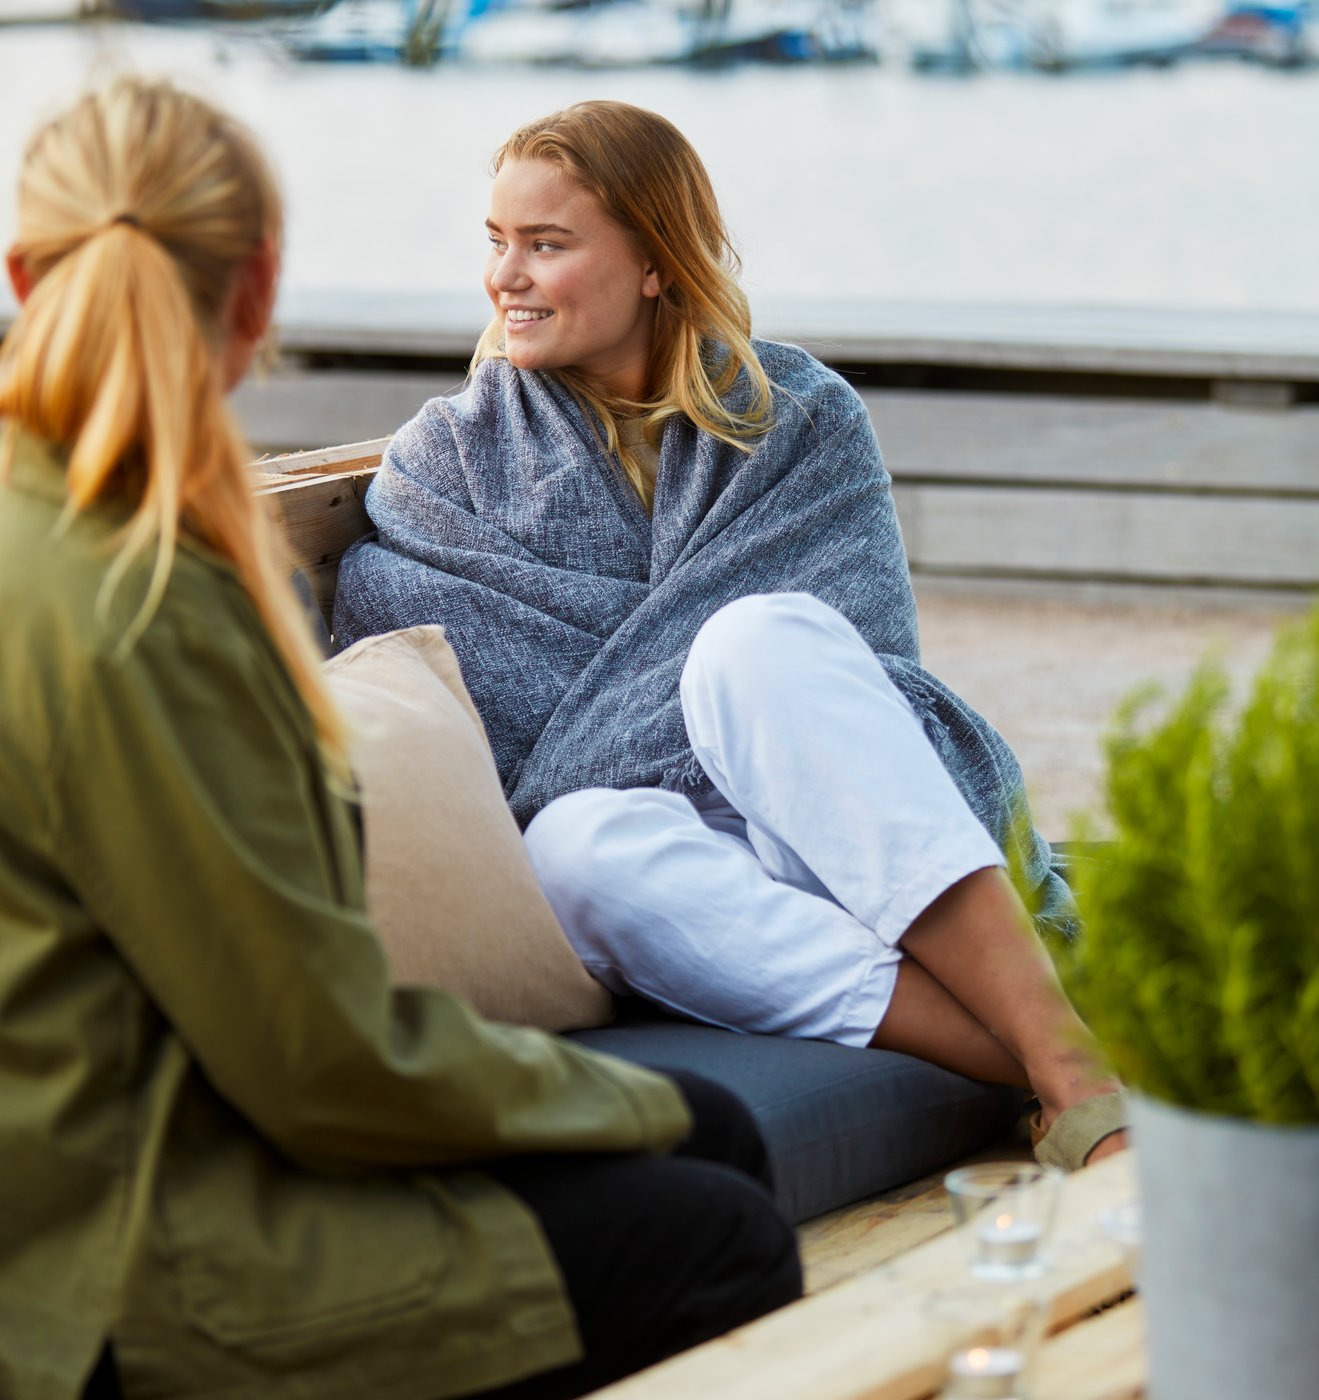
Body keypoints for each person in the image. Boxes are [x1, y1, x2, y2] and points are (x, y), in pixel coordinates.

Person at [0, 78, 802, 1400]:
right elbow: (316, 1062)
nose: (510, 273)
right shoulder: (143, 598)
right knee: (713, 1216)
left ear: (25, 275)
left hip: (99, 1176)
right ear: (256, 293)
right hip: (109, 1265)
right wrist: (635, 1101)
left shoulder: (89, 554)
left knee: (696, 1153)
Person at [332, 101, 1129, 1171]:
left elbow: (865, 684)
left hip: (838, 819)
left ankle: (1067, 1074)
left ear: (655, 261)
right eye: (496, 241)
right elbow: (469, 724)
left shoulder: (796, 416)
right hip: (691, 896)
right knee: (571, 843)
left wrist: (709, 680)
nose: (504, 276)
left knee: (753, 642)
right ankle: (1039, 1050)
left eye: (546, 244)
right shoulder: (450, 463)